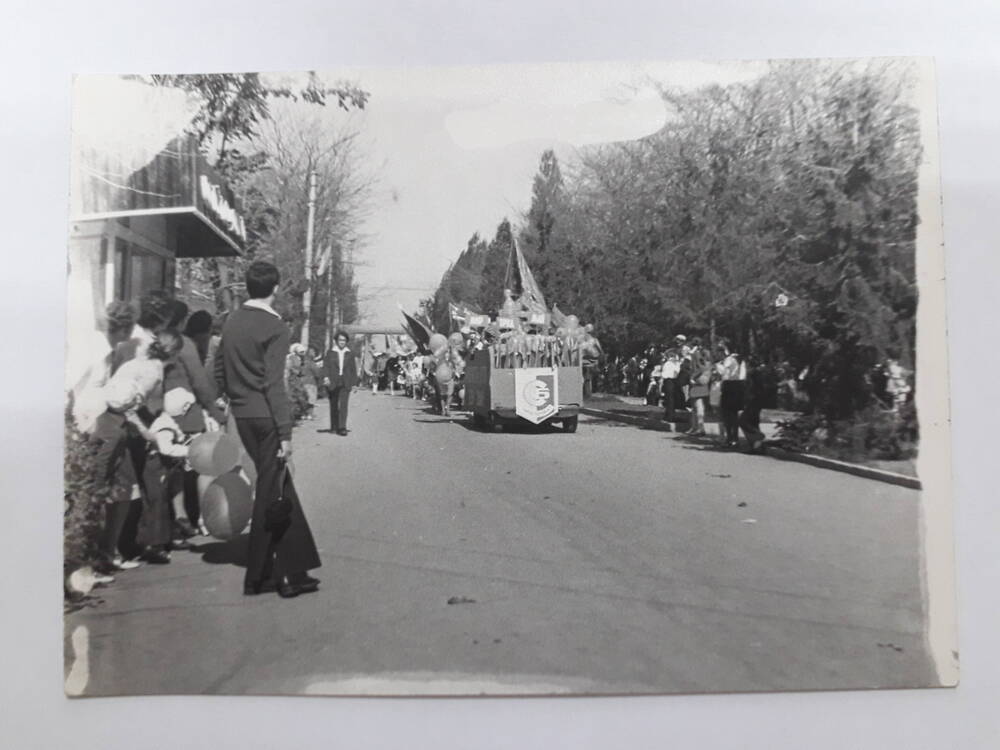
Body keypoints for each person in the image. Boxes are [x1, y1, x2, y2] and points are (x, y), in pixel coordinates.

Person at [215, 261, 321, 598]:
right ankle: (263, 576)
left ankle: (295, 567)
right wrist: (286, 433)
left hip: (242, 416)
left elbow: (218, 369)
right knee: (270, 493)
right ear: (274, 289)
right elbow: (275, 384)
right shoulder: (275, 326)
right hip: (267, 418)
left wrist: (228, 398)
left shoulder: (231, 321)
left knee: (279, 489)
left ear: (248, 287)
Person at [323, 331, 359, 436]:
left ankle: (342, 427)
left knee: (343, 405)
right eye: (340, 340)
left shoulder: (350, 353)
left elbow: (353, 369)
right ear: (336, 341)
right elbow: (326, 366)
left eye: (344, 340)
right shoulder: (330, 352)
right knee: (333, 405)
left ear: (346, 341)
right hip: (333, 381)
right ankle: (334, 426)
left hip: (345, 381)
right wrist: (326, 377)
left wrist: (354, 383)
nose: (342, 342)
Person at [716, 344, 747, 447]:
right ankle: (734, 438)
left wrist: (717, 365)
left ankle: (731, 438)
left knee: (728, 413)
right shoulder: (740, 360)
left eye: (720, 352)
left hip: (730, 385)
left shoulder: (729, 359)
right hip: (739, 386)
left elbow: (723, 372)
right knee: (733, 413)